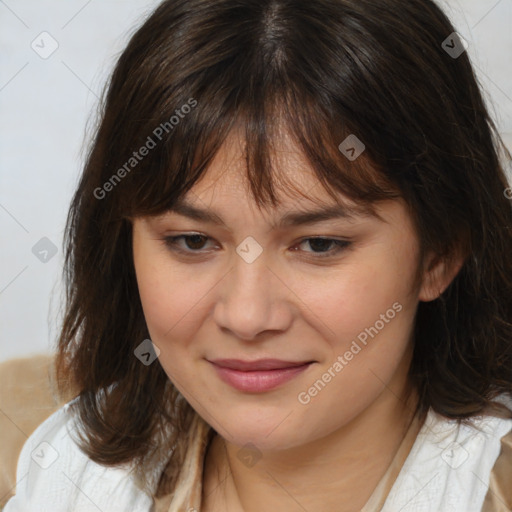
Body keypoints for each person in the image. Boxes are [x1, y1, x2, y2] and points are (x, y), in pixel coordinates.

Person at [4, 0, 512, 511]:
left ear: (440, 255)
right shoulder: (66, 475)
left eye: (319, 245)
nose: (246, 317)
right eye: (193, 241)